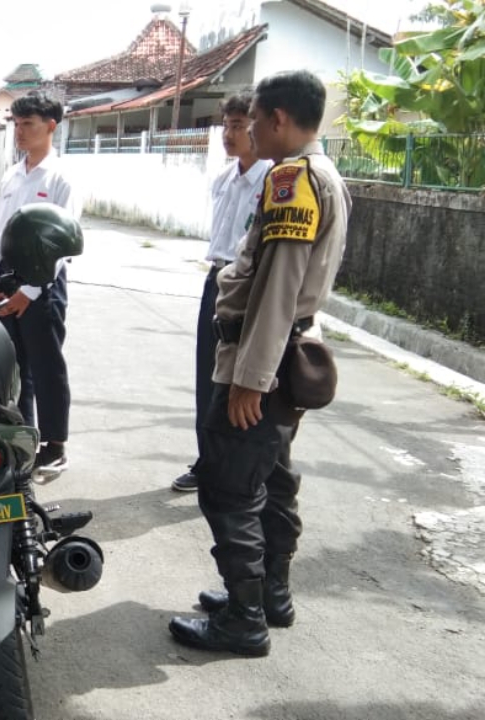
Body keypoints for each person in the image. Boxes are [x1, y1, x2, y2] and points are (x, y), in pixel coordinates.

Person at [168, 70, 351, 656]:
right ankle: (270, 594)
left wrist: (250, 380)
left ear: (276, 119)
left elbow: (278, 287)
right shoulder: (326, 176)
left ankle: (244, 619)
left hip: (264, 360)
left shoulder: (292, 179)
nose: (246, 132)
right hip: (287, 354)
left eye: (253, 122)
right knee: (272, 479)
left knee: (228, 487)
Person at [173, 90, 272, 492]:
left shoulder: (270, 178)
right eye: (226, 125)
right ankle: (207, 461)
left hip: (248, 288)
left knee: (240, 380)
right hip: (216, 280)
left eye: (238, 125)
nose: (229, 134)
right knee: (207, 374)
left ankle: (238, 468)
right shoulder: (225, 179)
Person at [0, 90, 79, 472]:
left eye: (29, 124)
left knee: (45, 366)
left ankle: (55, 444)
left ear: (51, 126)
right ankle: (23, 438)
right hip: (8, 278)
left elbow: (62, 242)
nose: (20, 132)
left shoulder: (61, 177)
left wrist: (31, 291)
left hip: (43, 281)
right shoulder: (12, 173)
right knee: (13, 367)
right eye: (17, 124)